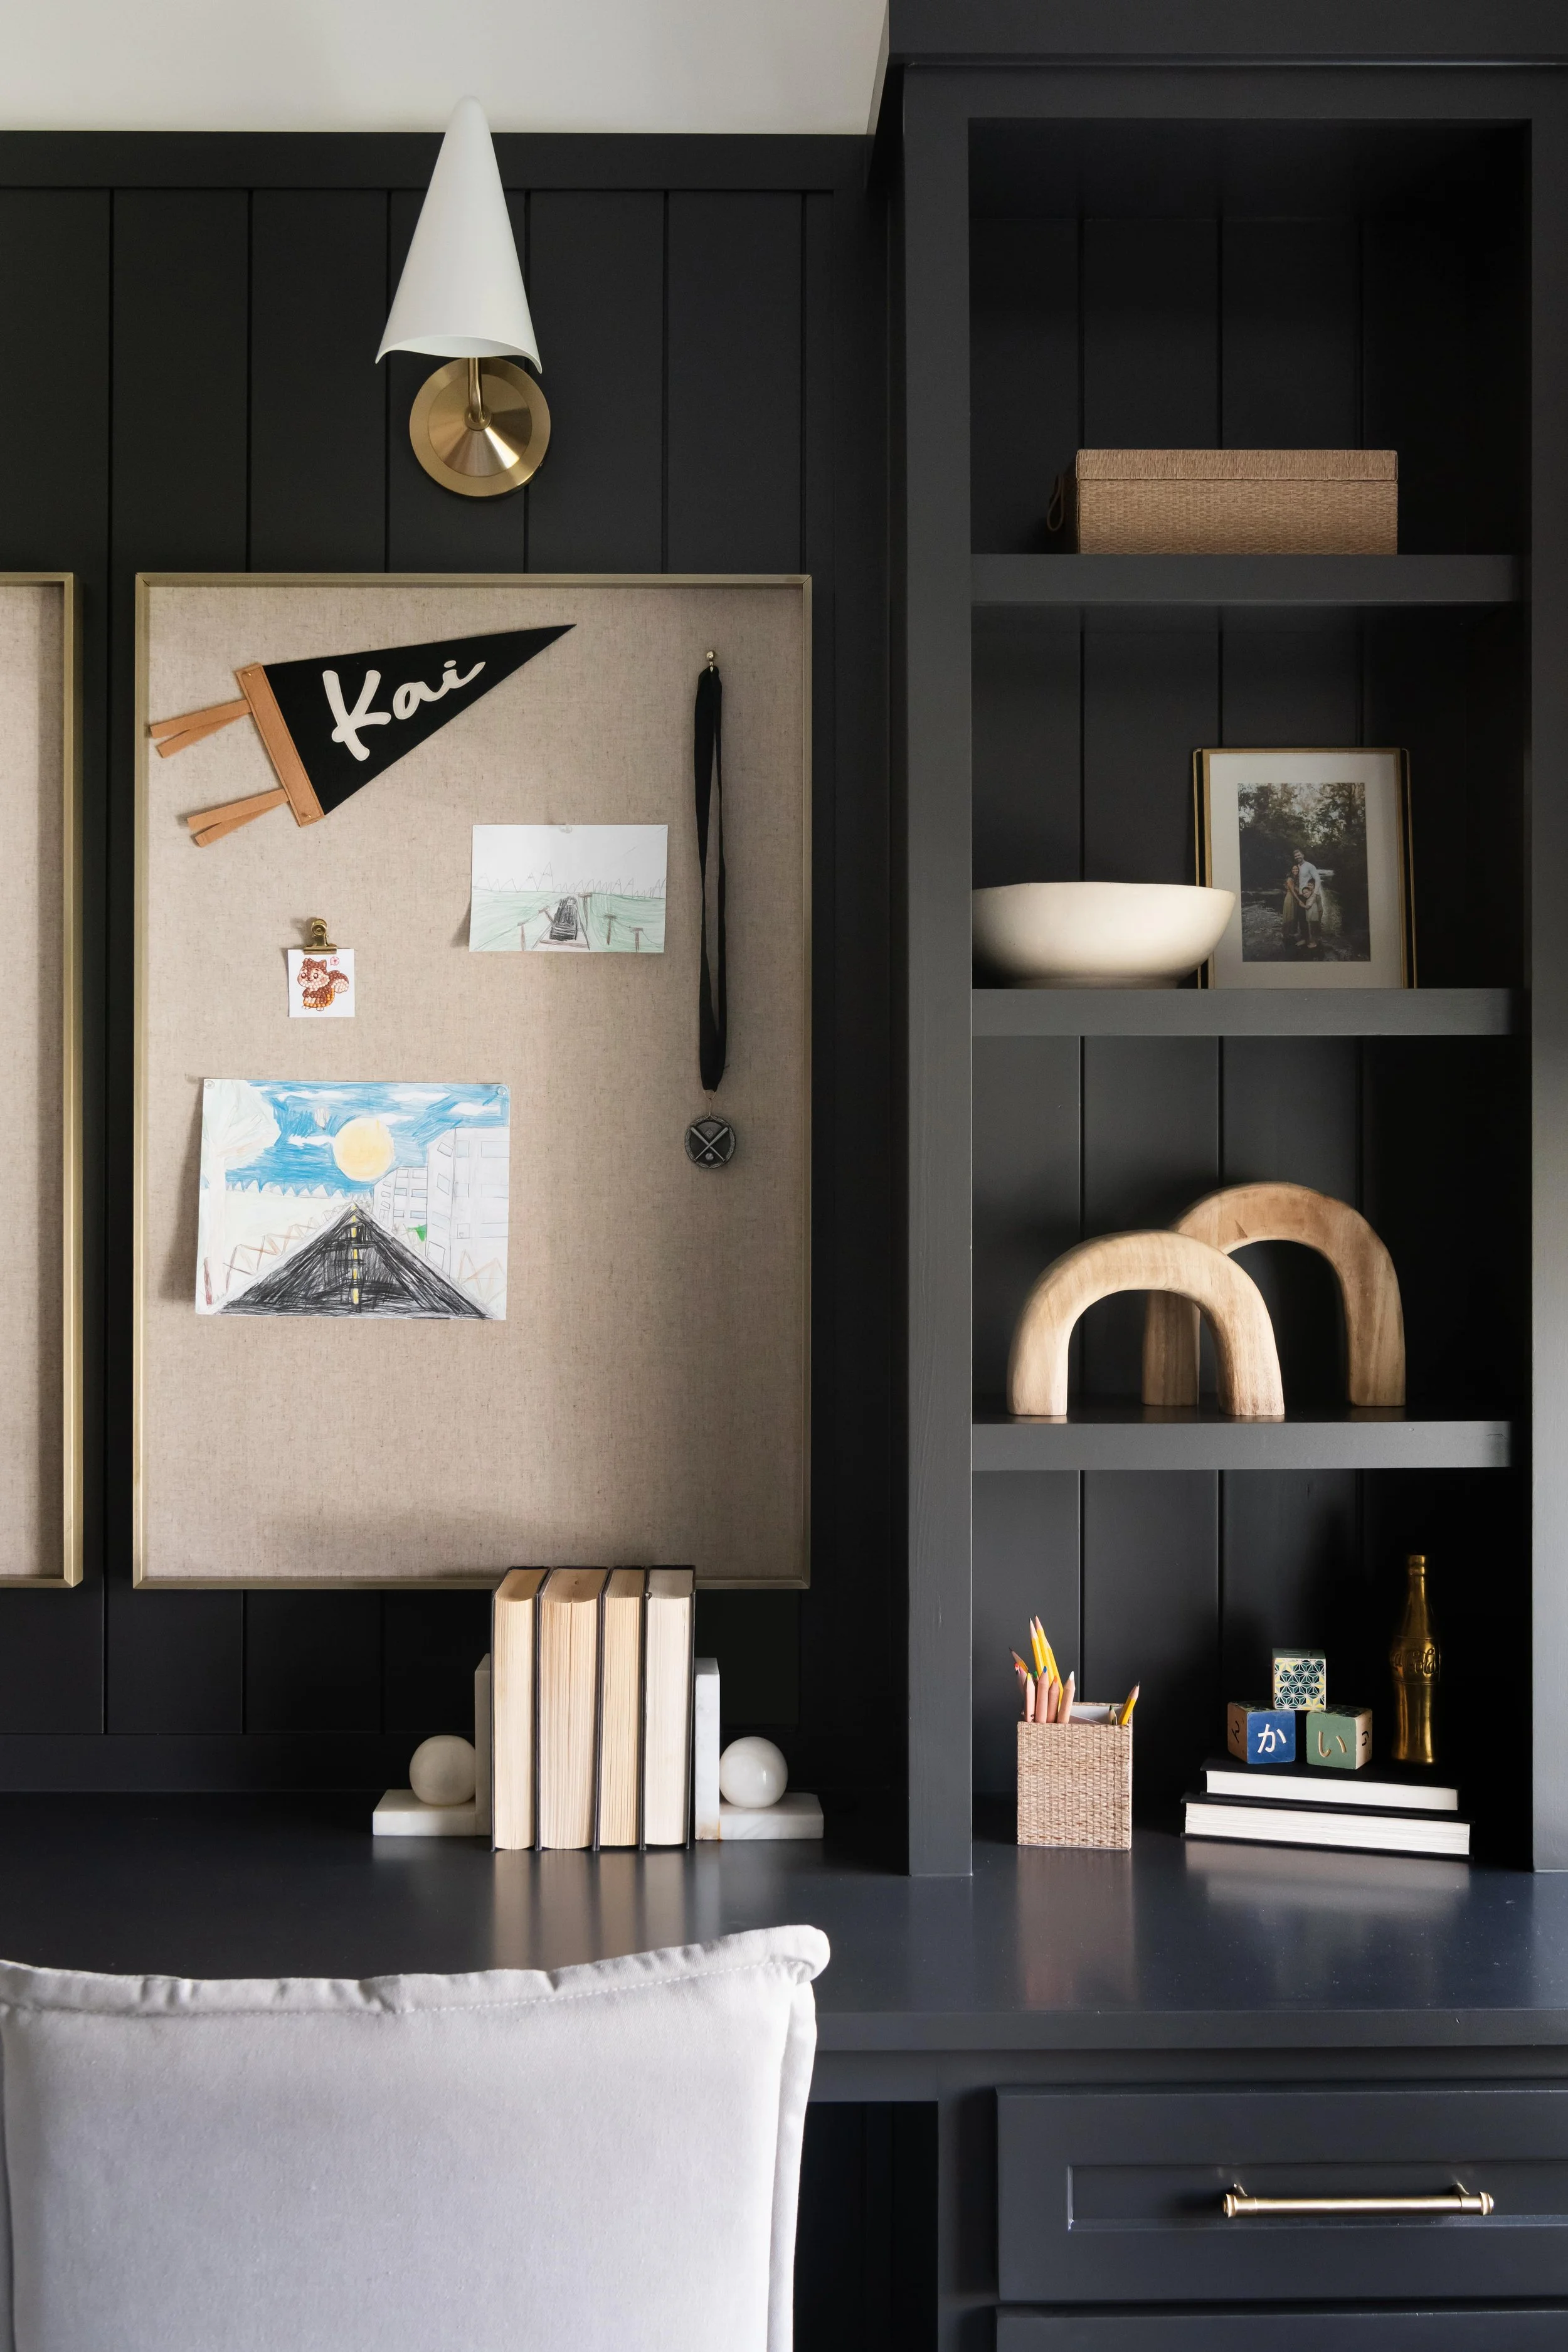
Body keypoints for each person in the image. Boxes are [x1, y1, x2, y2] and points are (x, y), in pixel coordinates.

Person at [1296, 850, 1326, 955]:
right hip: (1302, 895)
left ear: (1303, 855)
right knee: (1303, 918)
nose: (1297, 857)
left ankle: (1314, 940)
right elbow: (1300, 881)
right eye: (1295, 856)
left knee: (1313, 918)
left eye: (1299, 855)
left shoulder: (1310, 866)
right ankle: (1306, 938)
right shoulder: (1298, 867)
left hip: (1310, 894)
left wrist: (1314, 895)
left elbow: (1317, 880)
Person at [1281, 849, 1305, 951]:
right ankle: (1285, 934)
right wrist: (1299, 900)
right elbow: (1293, 891)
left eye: (1297, 870)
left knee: (1293, 916)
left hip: (1294, 899)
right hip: (1290, 899)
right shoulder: (1290, 879)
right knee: (1289, 916)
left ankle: (1290, 933)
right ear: (1291, 871)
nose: (1295, 871)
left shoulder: (1296, 879)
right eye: (1294, 870)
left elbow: (1298, 889)